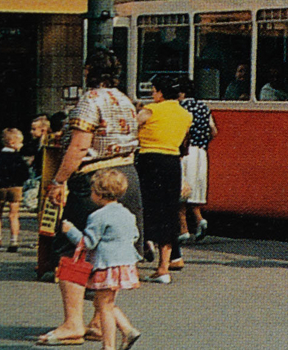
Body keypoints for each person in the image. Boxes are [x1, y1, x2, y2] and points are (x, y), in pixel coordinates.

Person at [40, 48, 145, 347]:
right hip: (127, 175)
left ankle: (73, 322)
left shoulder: (90, 100)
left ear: (88, 71)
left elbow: (79, 145)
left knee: (72, 248)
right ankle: (100, 322)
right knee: (112, 248)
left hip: (93, 179)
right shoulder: (125, 99)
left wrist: (59, 180)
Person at [59, 168, 142, 350]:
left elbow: (88, 243)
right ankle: (127, 330)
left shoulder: (97, 216)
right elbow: (135, 236)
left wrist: (70, 231)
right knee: (104, 302)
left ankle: (108, 346)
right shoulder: (128, 214)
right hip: (124, 264)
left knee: (104, 307)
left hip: (107, 265)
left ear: (98, 194)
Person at [135, 75, 192, 284]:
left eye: (153, 90)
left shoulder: (152, 109)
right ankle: (163, 268)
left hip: (149, 160)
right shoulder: (186, 115)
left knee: (145, 206)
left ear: (160, 92)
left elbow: (133, 125)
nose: (152, 93)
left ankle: (144, 246)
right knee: (169, 211)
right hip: (172, 163)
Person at [177, 77, 217, 244]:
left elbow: (181, 131)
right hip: (201, 153)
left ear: (181, 92)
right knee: (195, 192)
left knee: (180, 192)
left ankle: (184, 229)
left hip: (185, 152)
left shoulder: (181, 108)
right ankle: (200, 220)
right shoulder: (203, 107)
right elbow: (213, 131)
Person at [0, 127, 28, 251]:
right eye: (20, 142)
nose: (21, 145)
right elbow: (25, 173)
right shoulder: (18, 158)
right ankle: (13, 241)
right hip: (16, 187)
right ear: (13, 143)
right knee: (14, 215)